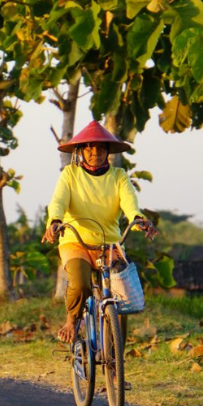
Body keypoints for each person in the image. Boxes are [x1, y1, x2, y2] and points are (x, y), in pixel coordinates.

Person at [40, 120, 157, 344]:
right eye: (90, 147)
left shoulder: (119, 175)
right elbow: (58, 202)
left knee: (120, 298)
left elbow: (129, 202)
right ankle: (72, 321)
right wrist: (54, 221)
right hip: (76, 242)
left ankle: (116, 360)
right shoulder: (70, 174)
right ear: (80, 151)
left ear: (108, 152)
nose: (95, 152)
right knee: (81, 284)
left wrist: (137, 219)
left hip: (109, 244)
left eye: (101, 147)